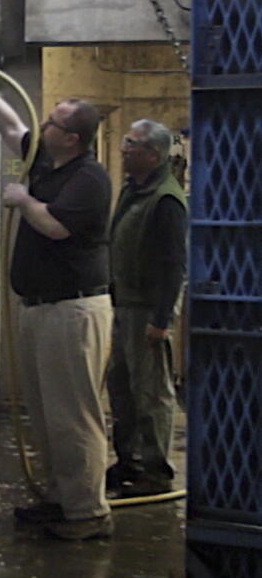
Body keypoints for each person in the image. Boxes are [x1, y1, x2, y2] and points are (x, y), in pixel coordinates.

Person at [0, 63, 114, 540]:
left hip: (71, 311)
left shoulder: (89, 179)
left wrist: (23, 201)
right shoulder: (47, 162)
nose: (42, 125)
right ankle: (60, 499)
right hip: (42, 308)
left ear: (71, 138)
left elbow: (55, 226)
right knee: (48, 414)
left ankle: (87, 513)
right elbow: (10, 124)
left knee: (74, 415)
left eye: (52, 122)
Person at [106, 119, 188, 498]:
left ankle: (155, 472)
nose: (123, 148)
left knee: (152, 392)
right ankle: (129, 462)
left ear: (152, 155)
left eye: (131, 143)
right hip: (125, 305)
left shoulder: (165, 200)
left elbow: (174, 263)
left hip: (147, 310)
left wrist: (161, 319)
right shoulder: (134, 190)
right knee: (122, 387)